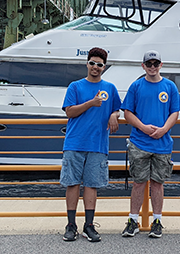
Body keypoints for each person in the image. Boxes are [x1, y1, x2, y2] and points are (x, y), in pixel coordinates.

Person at [60, 47, 122, 242]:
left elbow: (118, 109)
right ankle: (71, 225)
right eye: (93, 63)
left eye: (100, 64)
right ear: (87, 64)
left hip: (98, 145)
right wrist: (90, 103)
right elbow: (69, 112)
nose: (96, 67)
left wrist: (114, 115)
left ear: (104, 67)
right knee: (72, 184)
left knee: (92, 185)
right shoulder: (75, 87)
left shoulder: (110, 88)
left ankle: (89, 225)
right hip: (75, 143)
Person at [121, 50, 180, 238]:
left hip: (162, 144)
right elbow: (128, 113)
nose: (152, 67)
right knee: (138, 183)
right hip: (140, 142)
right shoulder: (136, 86)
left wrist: (163, 130)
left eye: (156, 63)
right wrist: (144, 128)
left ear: (161, 65)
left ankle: (157, 220)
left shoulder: (170, 87)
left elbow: (174, 113)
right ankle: (132, 220)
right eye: (149, 64)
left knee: (158, 183)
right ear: (143, 66)